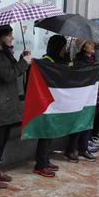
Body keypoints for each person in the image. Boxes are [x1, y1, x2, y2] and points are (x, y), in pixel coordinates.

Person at [0, 25, 31, 188]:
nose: (12, 39)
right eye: (9, 36)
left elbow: (11, 69)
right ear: (1, 37)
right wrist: (23, 63)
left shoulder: (4, 51)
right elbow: (7, 75)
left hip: (8, 101)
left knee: (3, 138)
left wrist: (21, 59)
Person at [65, 40, 99, 161]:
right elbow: (84, 74)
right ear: (83, 47)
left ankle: (84, 148)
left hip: (94, 96)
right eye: (89, 43)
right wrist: (97, 66)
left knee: (88, 123)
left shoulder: (94, 59)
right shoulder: (79, 60)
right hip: (82, 96)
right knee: (79, 123)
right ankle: (71, 149)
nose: (92, 45)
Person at [34, 35, 69, 177]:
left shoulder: (59, 60)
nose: (65, 50)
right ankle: (40, 165)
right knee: (45, 133)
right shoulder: (46, 61)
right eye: (63, 47)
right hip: (46, 103)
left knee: (50, 133)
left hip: (56, 103)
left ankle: (45, 161)